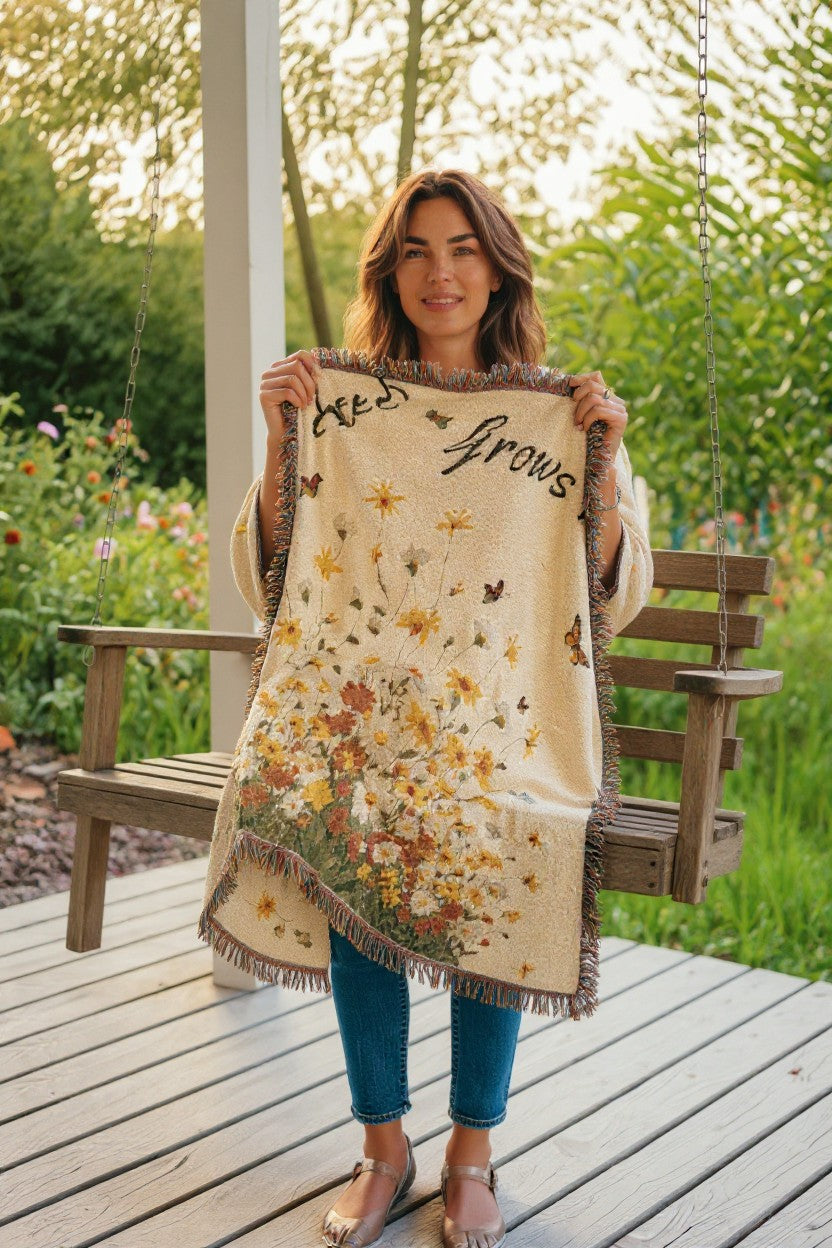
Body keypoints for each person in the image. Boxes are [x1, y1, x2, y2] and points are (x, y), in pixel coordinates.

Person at [252, 169, 652, 1248]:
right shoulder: (349, 406)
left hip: (507, 735)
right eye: (418, 251)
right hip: (374, 728)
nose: (441, 273)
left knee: (498, 835)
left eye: (463, 248)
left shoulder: (558, 412)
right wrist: (288, 440)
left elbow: (609, 590)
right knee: (360, 824)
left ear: (497, 267)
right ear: (391, 272)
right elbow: (278, 578)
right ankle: (382, 1146)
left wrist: (604, 463)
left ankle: (473, 1149)